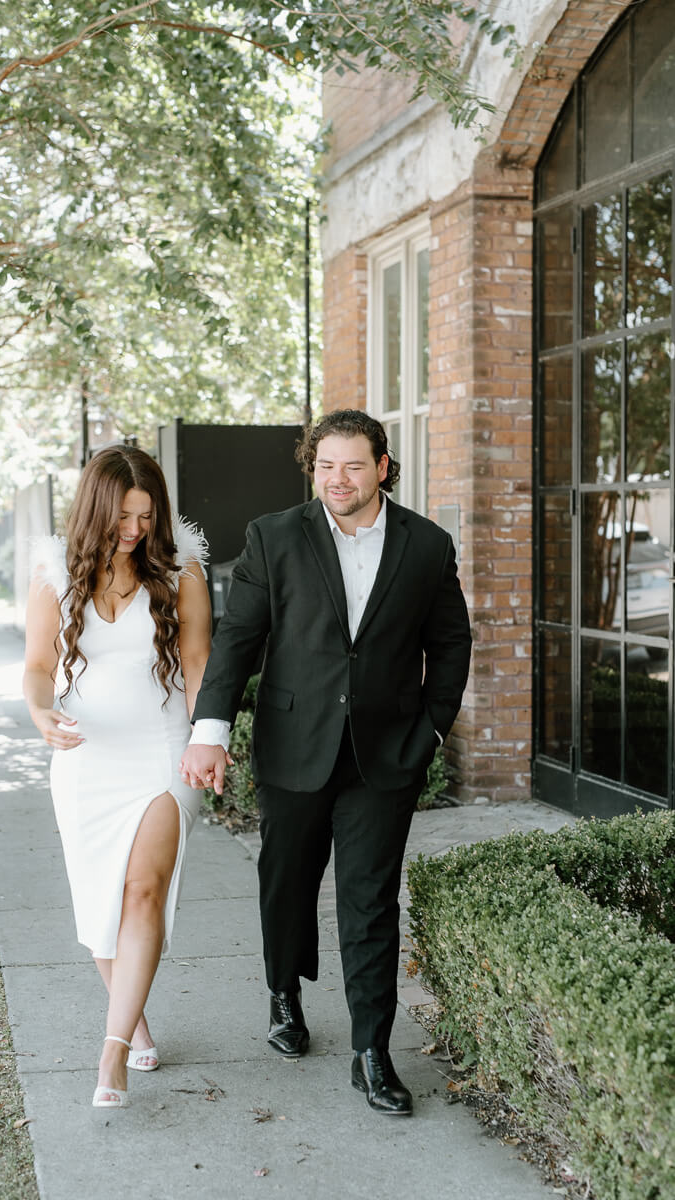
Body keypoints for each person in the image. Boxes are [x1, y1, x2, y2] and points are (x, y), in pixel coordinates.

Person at [179, 409, 471, 1116]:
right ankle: (285, 993)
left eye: (354, 465)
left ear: (383, 467)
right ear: (313, 469)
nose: (338, 480)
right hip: (292, 747)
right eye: (326, 466)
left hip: (385, 757)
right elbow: (237, 640)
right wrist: (209, 731)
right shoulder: (273, 537)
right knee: (287, 882)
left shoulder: (427, 546)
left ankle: (372, 1050)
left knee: (370, 902)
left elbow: (453, 642)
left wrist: (430, 732)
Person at [23, 444, 212, 1109]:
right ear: (96, 509)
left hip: (162, 755)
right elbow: (39, 667)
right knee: (102, 903)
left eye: (145, 514)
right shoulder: (54, 574)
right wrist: (41, 712)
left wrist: (210, 739)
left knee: (140, 893)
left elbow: (197, 663)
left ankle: (112, 1054)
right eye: (123, 515)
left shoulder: (181, 569)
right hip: (84, 762)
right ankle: (132, 1021)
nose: (134, 529)